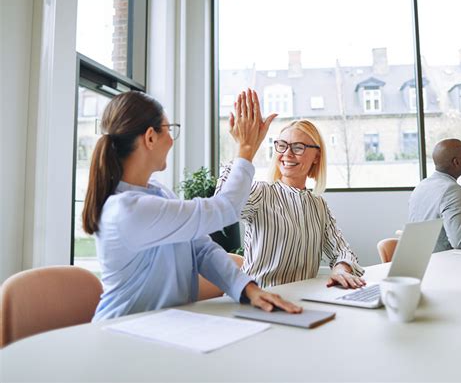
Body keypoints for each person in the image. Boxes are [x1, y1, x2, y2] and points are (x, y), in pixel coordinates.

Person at [82, 89, 302, 321]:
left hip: (166, 326)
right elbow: (226, 207)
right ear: (150, 137)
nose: (171, 140)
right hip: (121, 333)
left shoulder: (158, 193)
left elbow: (201, 250)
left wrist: (249, 290)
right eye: (169, 130)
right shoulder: (127, 210)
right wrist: (246, 150)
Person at [216, 119, 365, 289]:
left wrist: (341, 270)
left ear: (316, 156)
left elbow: (342, 252)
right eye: (282, 145)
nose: (287, 153)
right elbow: (221, 207)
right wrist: (243, 149)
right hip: (259, 299)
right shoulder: (261, 193)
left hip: (301, 302)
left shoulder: (319, 205)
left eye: (298, 147)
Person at [408, 138, 461, 252]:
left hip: (422, 258)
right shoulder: (453, 190)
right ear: (456, 162)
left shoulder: (422, 185)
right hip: (443, 262)